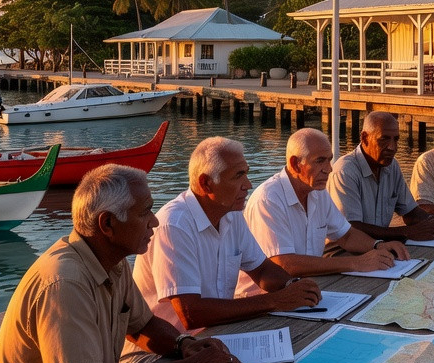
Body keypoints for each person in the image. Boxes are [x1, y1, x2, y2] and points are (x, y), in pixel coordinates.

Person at [0, 165, 243, 363]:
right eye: (145, 212)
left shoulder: (111, 260)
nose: (154, 221)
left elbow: (143, 326)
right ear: (107, 223)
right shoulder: (65, 282)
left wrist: (184, 345)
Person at [131, 137, 323, 333]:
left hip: (217, 332)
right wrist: (275, 301)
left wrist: (294, 286)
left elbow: (262, 270)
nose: (248, 184)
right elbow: (191, 313)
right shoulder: (175, 225)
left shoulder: (231, 213)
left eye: (246, 173)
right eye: (238, 176)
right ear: (206, 184)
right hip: (174, 344)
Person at [237, 128, 409, 296]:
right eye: (320, 161)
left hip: (305, 290)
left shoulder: (318, 192)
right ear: (295, 164)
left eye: (329, 160)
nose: (329, 169)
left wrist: (378, 245)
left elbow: (347, 236)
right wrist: (357, 263)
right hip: (263, 300)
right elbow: (283, 263)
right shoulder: (269, 199)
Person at [327, 111, 434, 242]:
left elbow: (410, 212)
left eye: (396, 139)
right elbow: (350, 229)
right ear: (364, 138)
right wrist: (407, 232)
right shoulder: (345, 171)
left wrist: (432, 220)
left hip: (379, 245)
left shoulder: (392, 166)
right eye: (384, 139)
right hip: (342, 250)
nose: (392, 147)